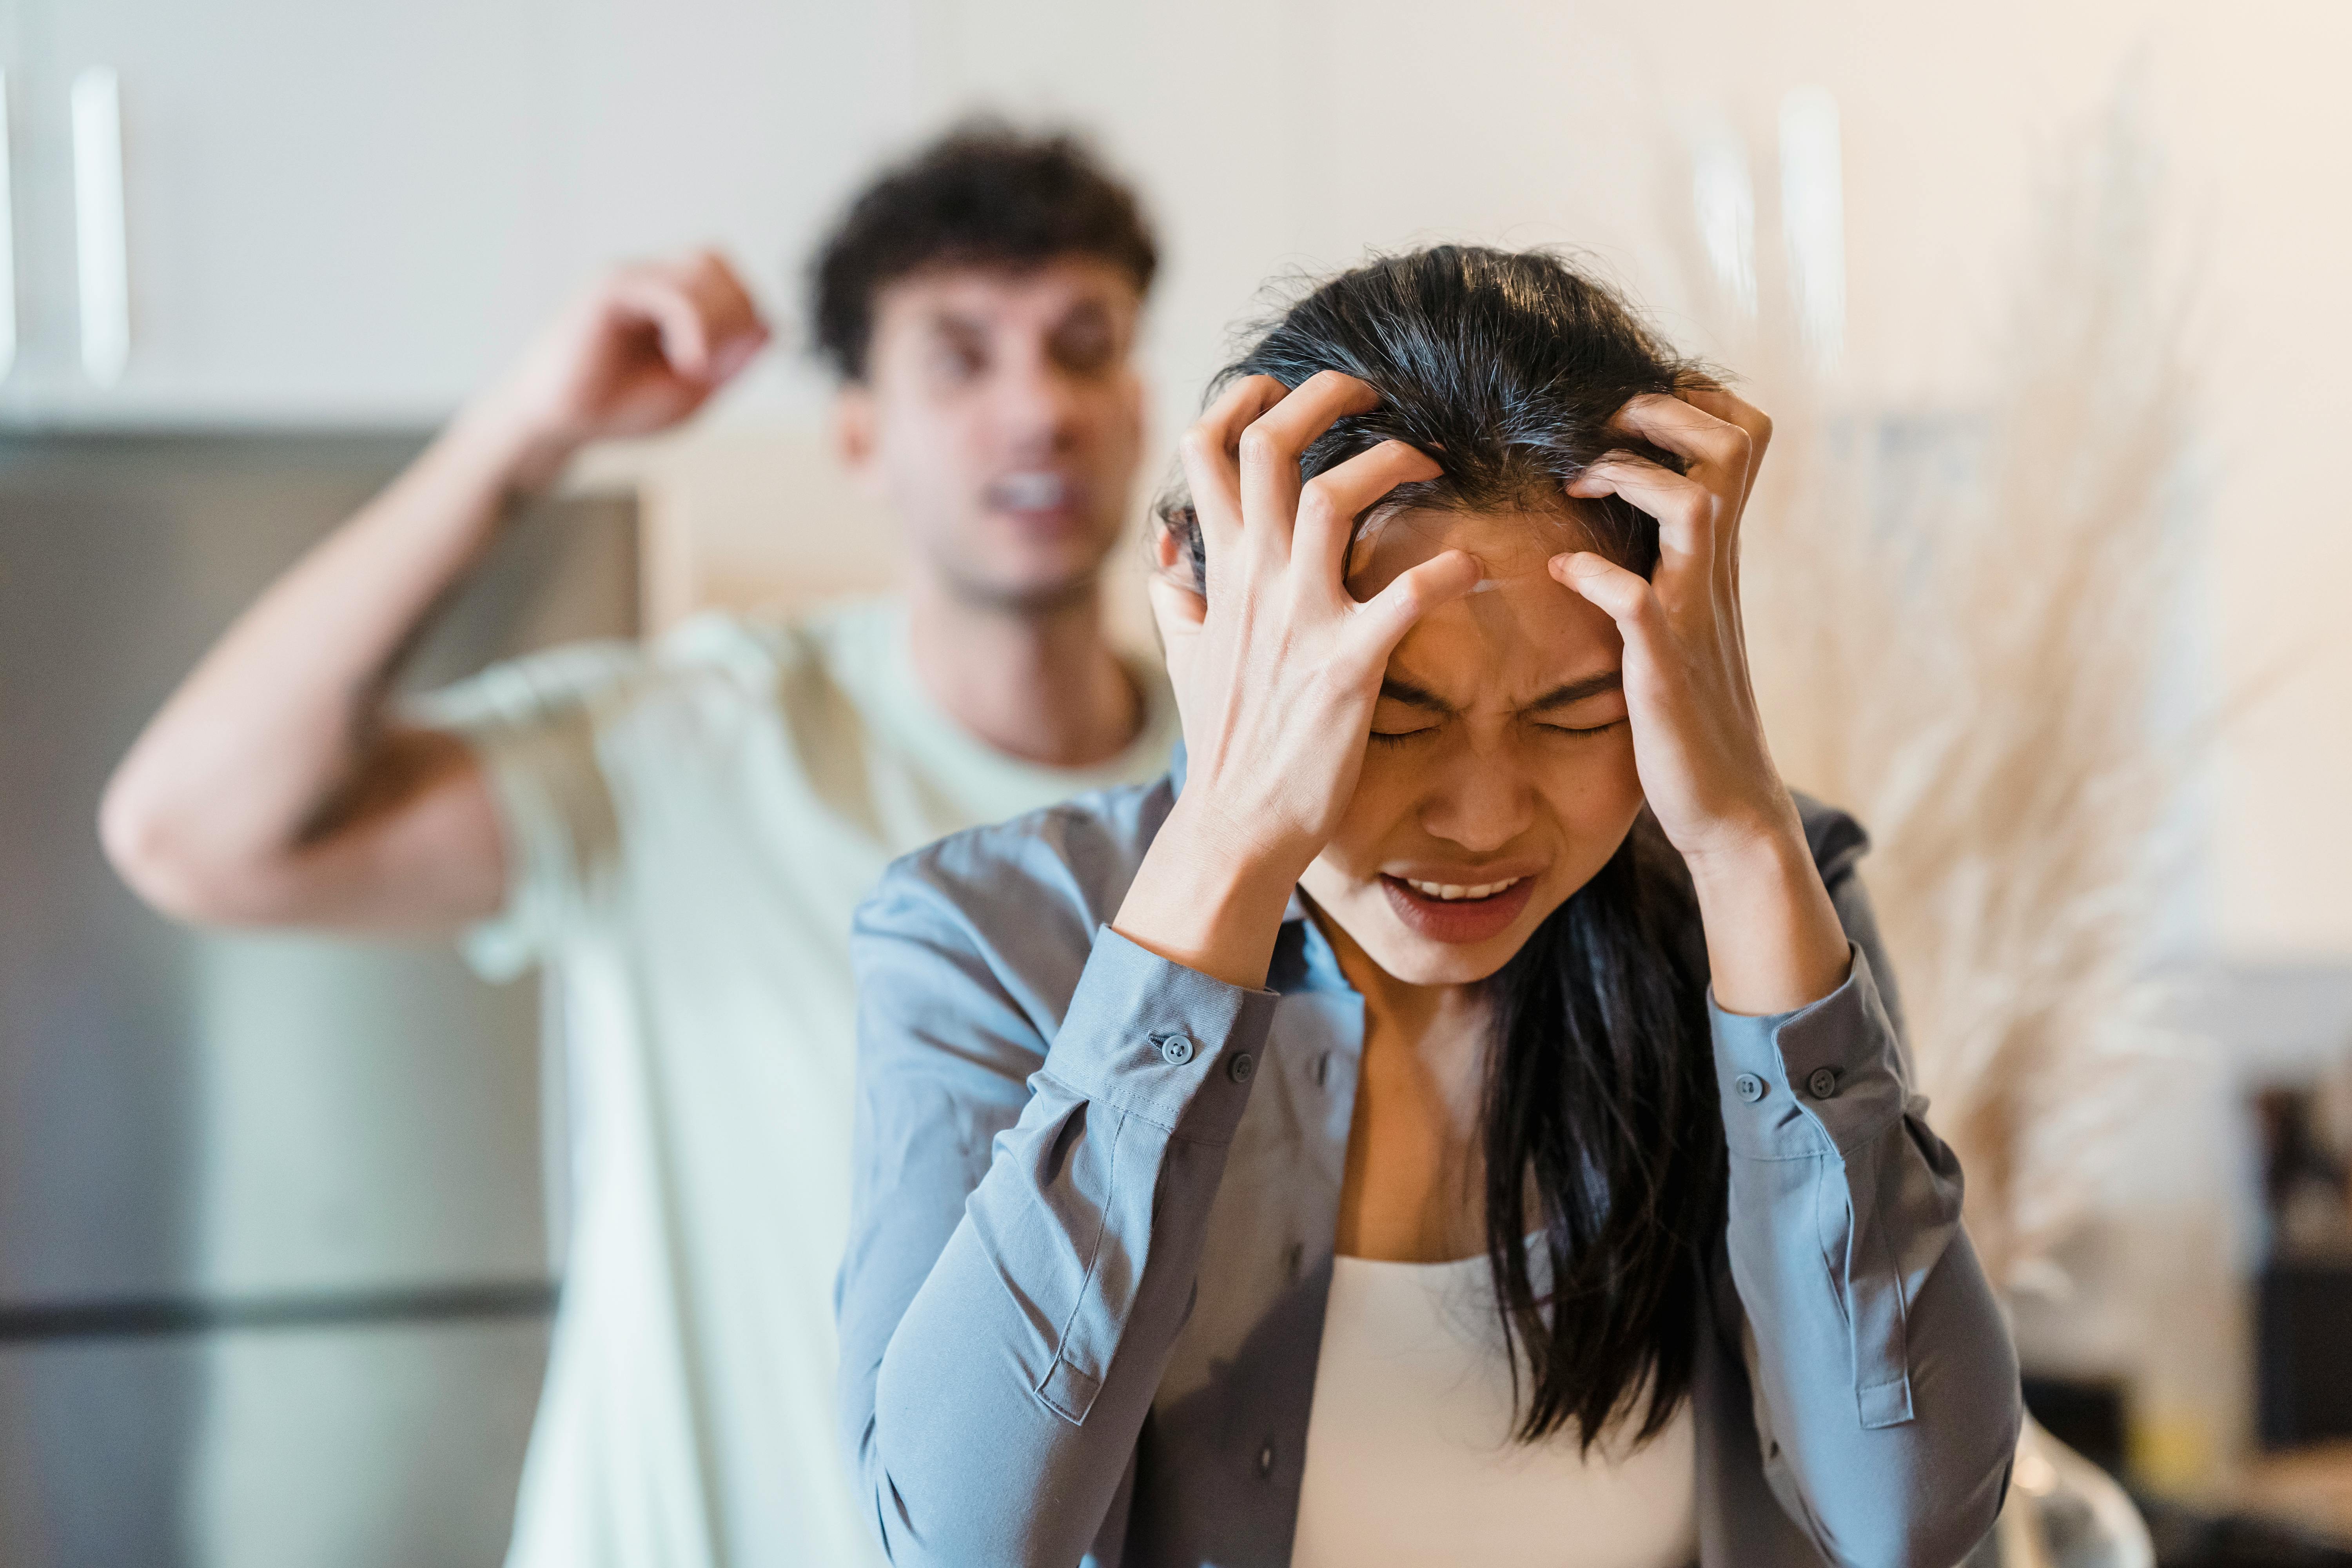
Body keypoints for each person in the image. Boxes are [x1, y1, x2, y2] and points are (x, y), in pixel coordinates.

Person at [837, 245, 2023, 1567]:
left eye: (1577, 715)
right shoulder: (985, 939)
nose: (1482, 818)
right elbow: (960, 1540)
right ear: (1220, 635)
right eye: (1391, 717)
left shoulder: (1758, 910)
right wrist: (1230, 840)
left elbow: (1910, 1517)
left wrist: (1746, 844)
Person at [100, 125, 1178, 1568]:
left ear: (1138, 402)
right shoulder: (701, 743)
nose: (1038, 406)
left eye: (1083, 343)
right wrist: (525, 434)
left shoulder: (1233, 794)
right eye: (960, 356)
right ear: (858, 431)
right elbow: (189, 833)